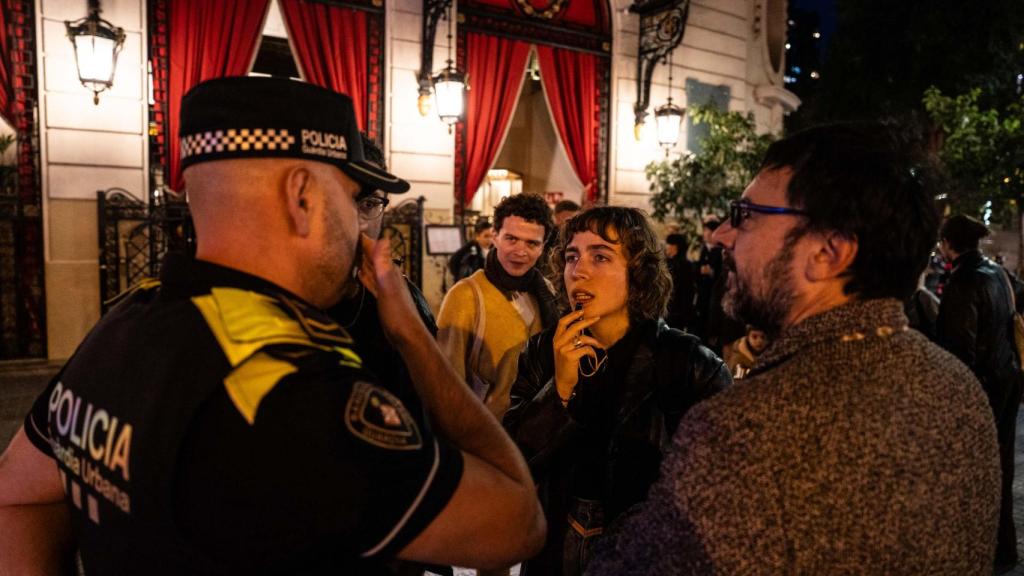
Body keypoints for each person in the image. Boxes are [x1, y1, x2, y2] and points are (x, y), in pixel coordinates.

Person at [0, 76, 545, 574]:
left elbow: (20, 496)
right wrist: (411, 337)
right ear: (302, 195)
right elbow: (518, 522)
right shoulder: (291, 389)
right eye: (352, 197)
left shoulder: (126, 324)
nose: (364, 226)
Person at [587, 122, 1001, 575]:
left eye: (745, 214)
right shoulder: (957, 385)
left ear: (828, 252)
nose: (723, 234)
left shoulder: (750, 426)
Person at [503, 206, 730, 576]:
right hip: (555, 545)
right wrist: (558, 389)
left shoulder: (688, 363)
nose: (579, 271)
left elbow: (719, 486)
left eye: (601, 256)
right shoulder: (543, 352)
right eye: (572, 256)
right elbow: (512, 461)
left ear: (637, 271)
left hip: (644, 551)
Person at [936, 214, 1024, 573]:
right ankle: (1004, 549)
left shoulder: (963, 282)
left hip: (982, 388)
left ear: (948, 244)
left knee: (973, 473)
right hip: (1008, 380)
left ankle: (979, 551)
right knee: (1001, 466)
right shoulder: (997, 274)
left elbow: (958, 349)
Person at [437, 193, 558, 421]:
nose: (520, 251)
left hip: (538, 436)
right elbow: (446, 384)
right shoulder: (465, 297)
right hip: (486, 436)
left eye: (531, 243)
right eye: (511, 239)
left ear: (543, 247)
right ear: (495, 236)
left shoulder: (546, 292)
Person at [664, 233, 697, 332]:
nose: (666, 247)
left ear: (675, 247)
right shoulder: (668, 262)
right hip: (668, 310)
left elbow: (687, 292)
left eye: (668, 244)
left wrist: (685, 315)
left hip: (676, 312)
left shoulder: (684, 266)